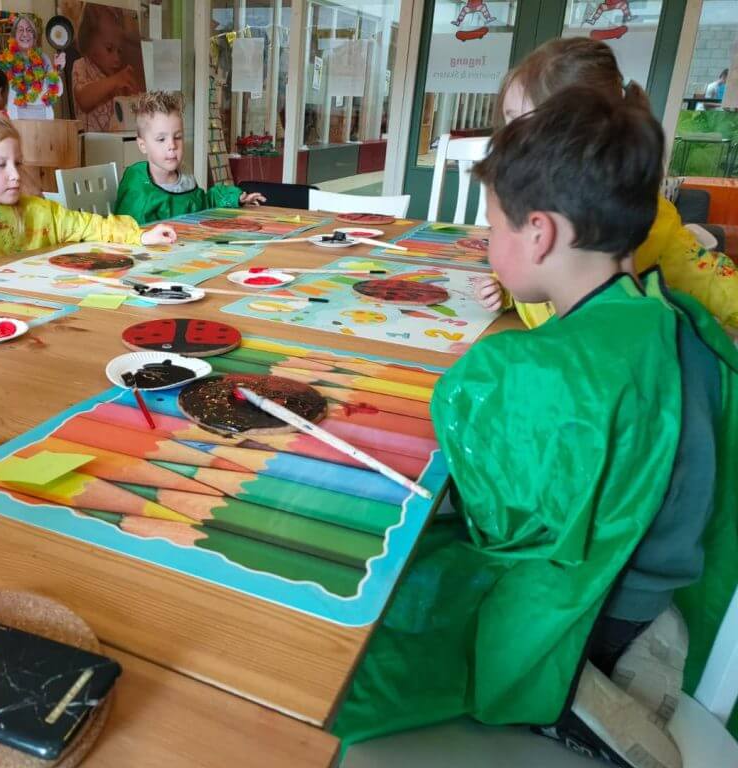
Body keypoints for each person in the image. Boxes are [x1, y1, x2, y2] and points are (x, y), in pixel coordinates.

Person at [332, 88, 738, 768]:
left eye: (493, 229)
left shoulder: (556, 369)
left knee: (400, 592)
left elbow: (502, 523)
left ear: (540, 233)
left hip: (600, 606)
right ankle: (612, 664)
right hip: (665, 580)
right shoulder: (666, 317)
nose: (488, 244)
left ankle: (561, 693)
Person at [475, 38, 738, 334]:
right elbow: (527, 271)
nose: (510, 139)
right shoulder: (524, 203)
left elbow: (716, 284)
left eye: (524, 124)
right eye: (510, 121)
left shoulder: (648, 223)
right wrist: (505, 290)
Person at [0, 110, 175, 276]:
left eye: (17, 163)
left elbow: (88, 225)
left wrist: (140, 235)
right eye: (0, 165)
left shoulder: (38, 213)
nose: (16, 174)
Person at [114, 91, 265, 225]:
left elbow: (203, 203)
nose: (172, 145)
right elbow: (127, 233)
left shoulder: (184, 176)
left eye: (178, 137)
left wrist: (236, 198)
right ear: (142, 145)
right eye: (161, 139)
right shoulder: (138, 189)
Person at [72, 5, 142, 132]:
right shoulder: (81, 65)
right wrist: (115, 81)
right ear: (88, 42)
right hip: (91, 146)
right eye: (109, 49)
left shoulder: (116, 75)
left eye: (119, 51)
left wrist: (135, 97)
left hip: (114, 143)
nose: (116, 58)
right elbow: (83, 99)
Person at [0, 14, 61, 120]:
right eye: (21, 30)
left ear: (34, 37)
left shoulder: (44, 58)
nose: (25, 34)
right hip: (16, 124)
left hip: (44, 123)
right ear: (14, 36)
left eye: (29, 30)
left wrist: (57, 68)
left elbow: (57, 91)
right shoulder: (6, 61)